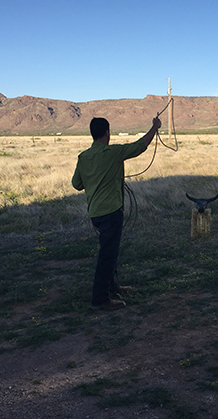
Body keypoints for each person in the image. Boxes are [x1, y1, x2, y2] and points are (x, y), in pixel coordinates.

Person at [72, 116, 161, 310]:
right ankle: (100, 299)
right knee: (107, 255)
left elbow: (76, 184)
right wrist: (154, 127)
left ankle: (113, 286)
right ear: (107, 133)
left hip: (95, 213)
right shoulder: (113, 153)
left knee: (109, 250)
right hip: (111, 212)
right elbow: (140, 146)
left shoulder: (83, 157)